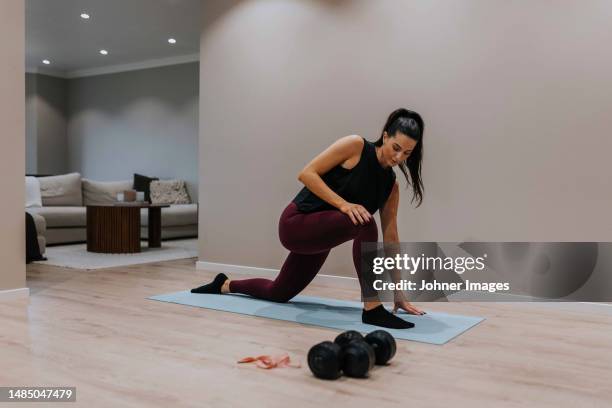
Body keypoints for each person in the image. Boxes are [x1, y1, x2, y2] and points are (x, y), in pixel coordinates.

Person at [192, 108, 426, 329]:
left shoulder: (390, 186)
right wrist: (344, 205)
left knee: (279, 292)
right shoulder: (355, 146)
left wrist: (398, 291)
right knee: (364, 221)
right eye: (396, 147)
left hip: (320, 237)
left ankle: (223, 284)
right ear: (385, 136)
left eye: (406, 153)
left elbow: (391, 239)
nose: (398, 157)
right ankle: (372, 308)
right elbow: (306, 173)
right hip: (297, 223)